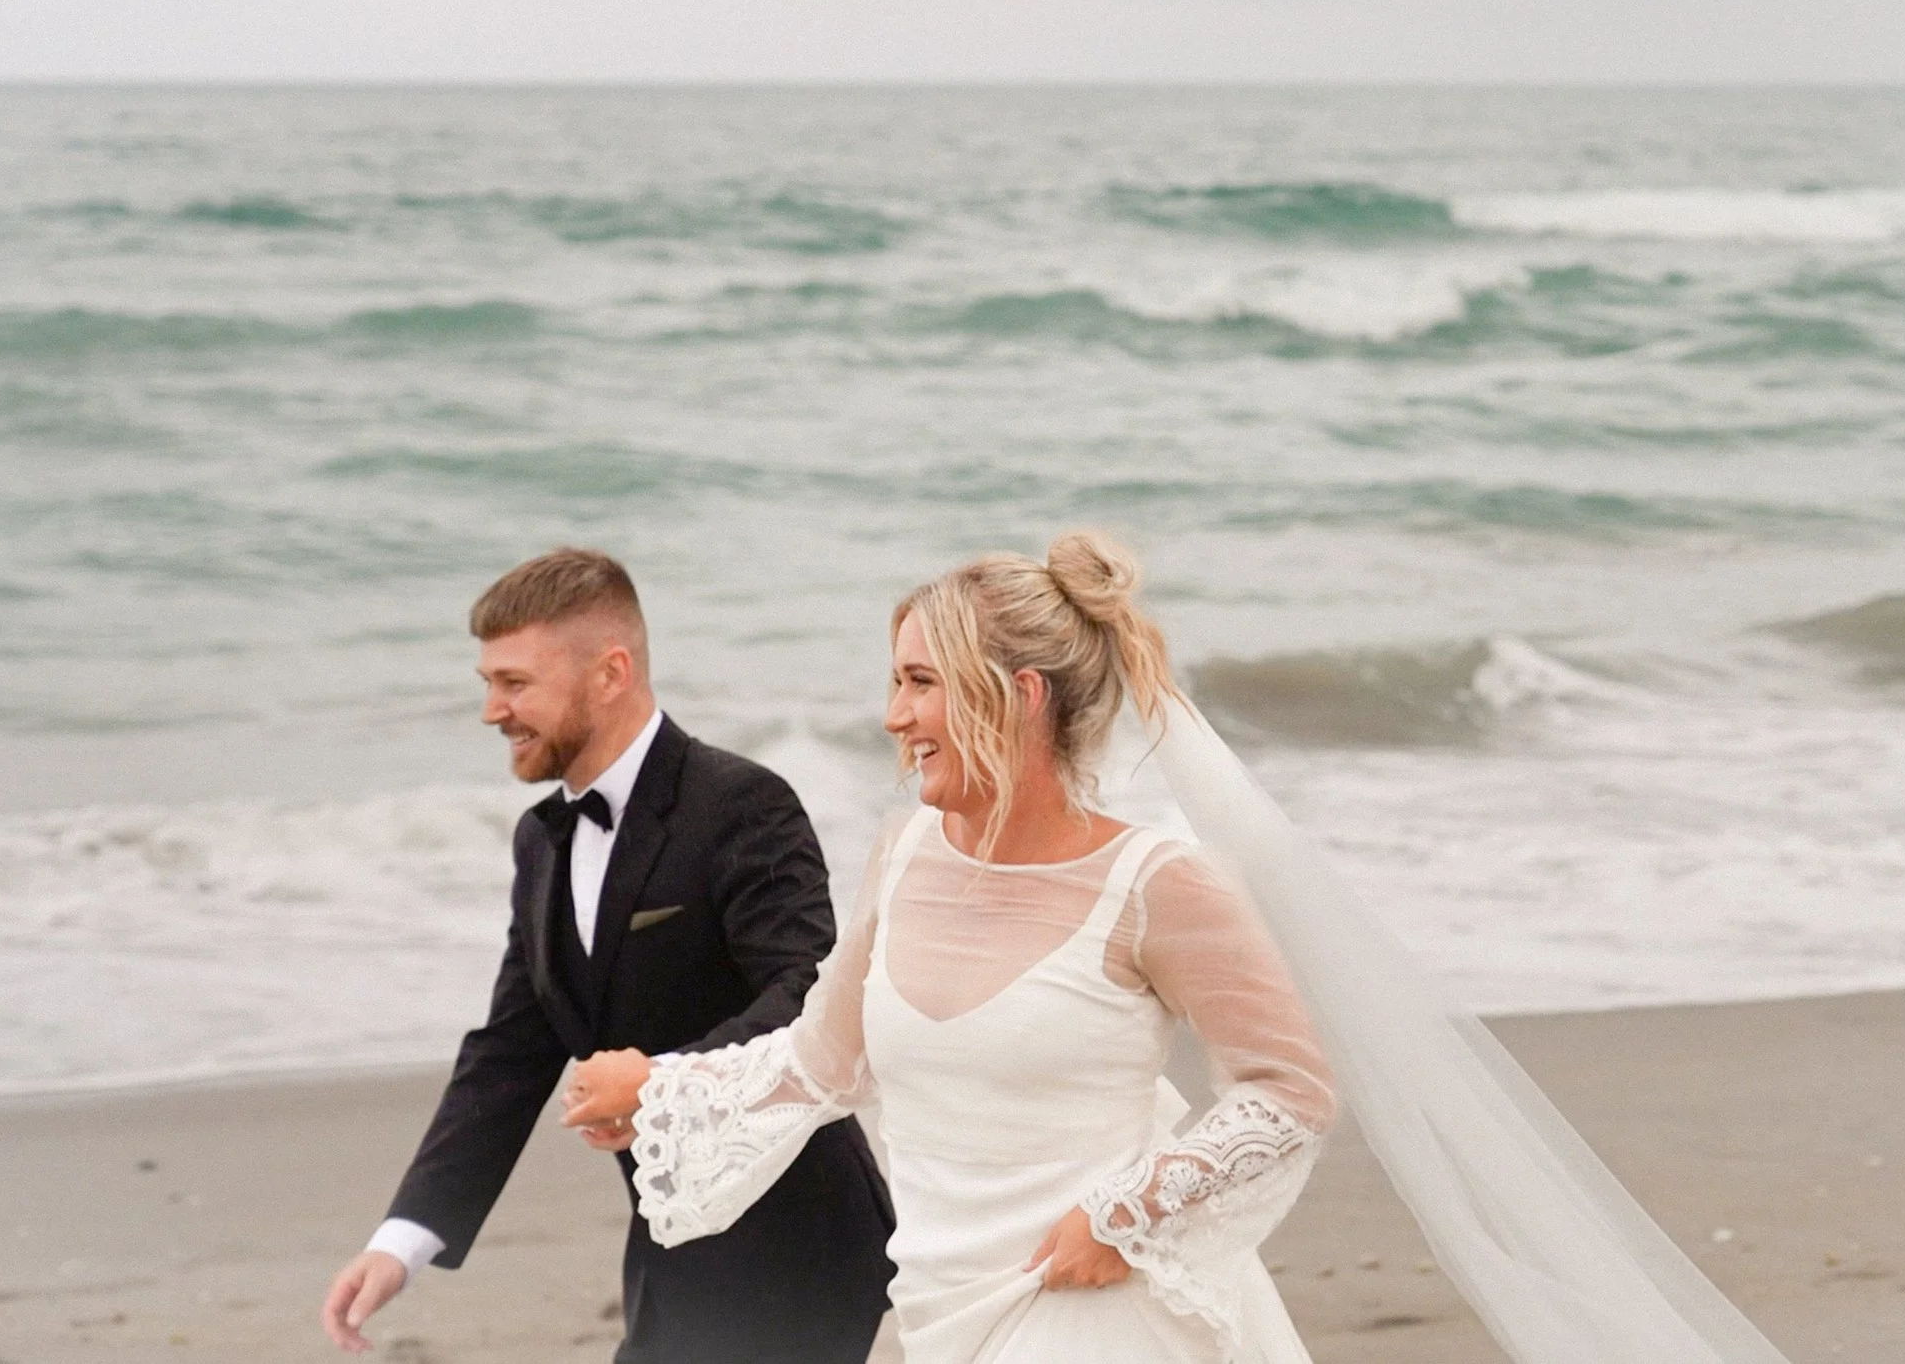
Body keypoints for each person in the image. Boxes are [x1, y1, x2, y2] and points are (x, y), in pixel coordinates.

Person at [562, 532, 1337, 1363]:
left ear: (1021, 693)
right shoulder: (904, 856)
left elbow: (1291, 1087)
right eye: (896, 681)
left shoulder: (1154, 883)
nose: (895, 715)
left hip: (1093, 1300)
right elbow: (823, 1061)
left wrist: (1127, 1215)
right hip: (941, 1306)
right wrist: (659, 1086)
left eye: (921, 682)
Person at [319, 548, 895, 1362]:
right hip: (668, 1249)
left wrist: (660, 1083)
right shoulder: (543, 840)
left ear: (610, 672)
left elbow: (808, 996)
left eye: (515, 683)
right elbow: (511, 1049)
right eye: (488, 682)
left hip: (795, 1244)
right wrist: (404, 1238)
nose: (492, 709)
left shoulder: (742, 803)